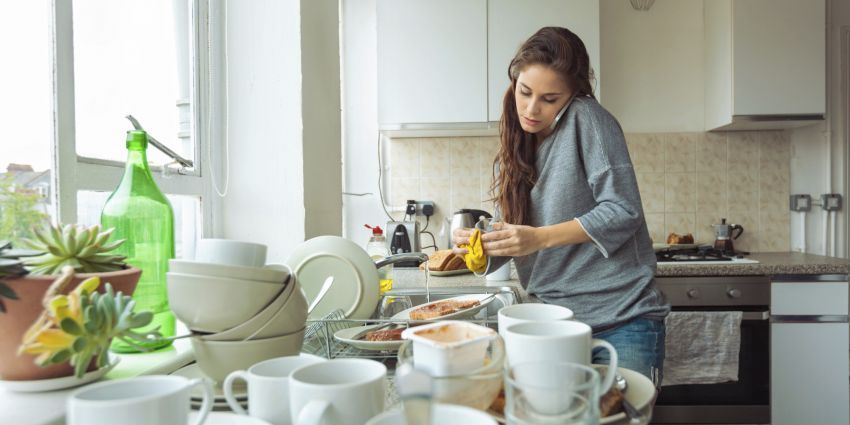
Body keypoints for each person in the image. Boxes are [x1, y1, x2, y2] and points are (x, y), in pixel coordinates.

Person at [453, 27, 669, 381]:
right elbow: (519, 233)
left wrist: (538, 238)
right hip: (552, 322)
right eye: (525, 92)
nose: (532, 108)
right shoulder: (515, 146)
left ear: (573, 95)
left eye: (550, 99)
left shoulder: (588, 119)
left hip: (621, 319)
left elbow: (623, 209)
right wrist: (483, 247)